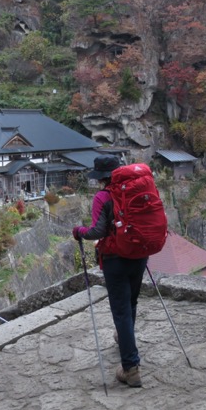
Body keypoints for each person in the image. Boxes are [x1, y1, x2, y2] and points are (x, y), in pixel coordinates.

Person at [72, 155, 147, 388]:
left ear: (101, 177)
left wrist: (79, 231)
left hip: (116, 259)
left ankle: (131, 368)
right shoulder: (136, 190)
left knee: (121, 311)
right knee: (131, 303)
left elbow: (97, 231)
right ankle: (123, 338)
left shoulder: (103, 197)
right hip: (139, 254)